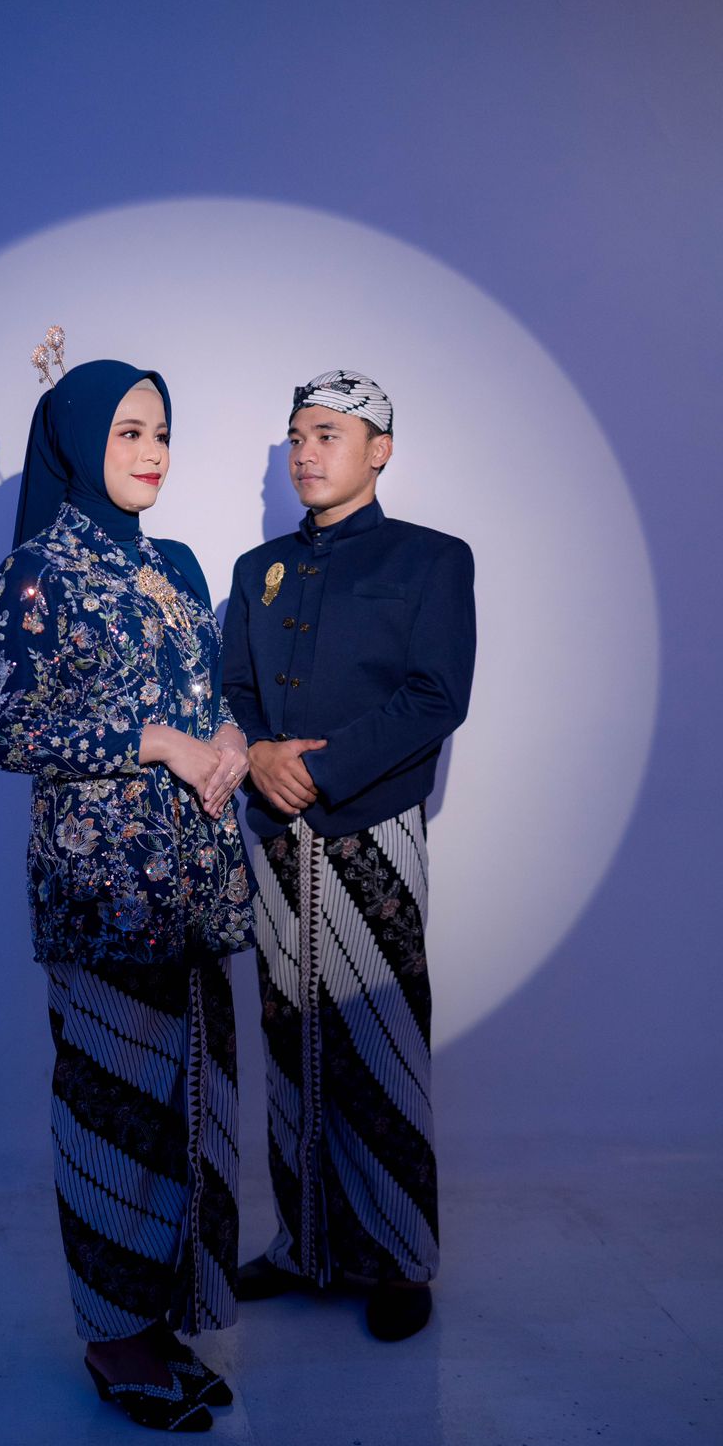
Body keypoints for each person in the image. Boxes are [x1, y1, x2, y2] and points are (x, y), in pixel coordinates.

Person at [0, 351, 254, 1430]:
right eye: (128, 432)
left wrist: (225, 737)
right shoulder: (39, 571)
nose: (151, 453)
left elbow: (211, 688)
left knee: (187, 1108)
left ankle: (166, 1318)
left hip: (194, 883)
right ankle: (114, 1340)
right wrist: (157, 743)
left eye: (162, 432)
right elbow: (6, 728)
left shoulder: (176, 565)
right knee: (112, 1115)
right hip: (102, 892)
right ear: (79, 440)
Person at [221, 369, 476, 1341]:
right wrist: (259, 755)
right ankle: (305, 1246)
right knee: (290, 1041)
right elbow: (232, 688)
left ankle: (400, 1258)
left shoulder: (432, 559)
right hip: (273, 835)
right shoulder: (257, 569)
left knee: (381, 1037)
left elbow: (435, 696)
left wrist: (318, 772)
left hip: (373, 831)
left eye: (328, 433)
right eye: (296, 436)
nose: (305, 452)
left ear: (380, 450)